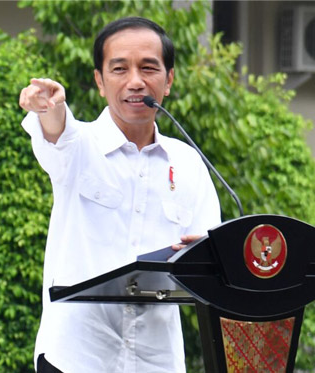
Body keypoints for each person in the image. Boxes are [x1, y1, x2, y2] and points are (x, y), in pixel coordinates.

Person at [19, 17, 221, 372]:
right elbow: (57, 133)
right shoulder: (80, 146)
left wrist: (204, 252)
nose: (135, 82)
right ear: (100, 80)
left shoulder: (189, 163)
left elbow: (211, 256)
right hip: (76, 357)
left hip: (156, 361)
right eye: (119, 69)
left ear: (169, 79)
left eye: (148, 68)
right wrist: (48, 107)